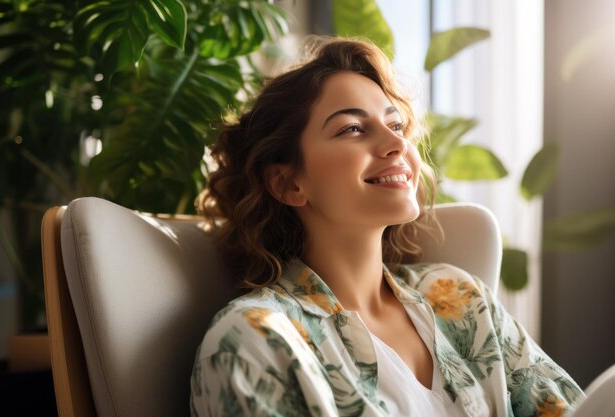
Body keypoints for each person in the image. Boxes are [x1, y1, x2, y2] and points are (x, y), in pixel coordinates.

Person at [190, 37, 583, 417]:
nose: (396, 145)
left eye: (395, 126)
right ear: (287, 183)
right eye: (352, 129)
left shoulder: (459, 297)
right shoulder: (256, 338)